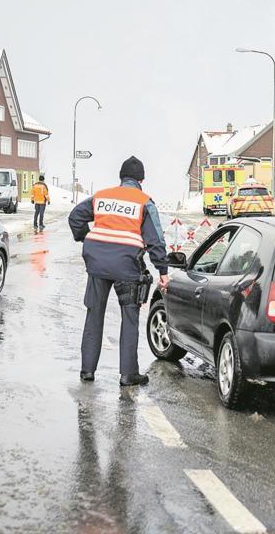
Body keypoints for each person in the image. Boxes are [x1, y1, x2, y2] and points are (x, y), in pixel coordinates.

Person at [68, 156, 169, 386]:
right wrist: (162, 271)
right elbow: (155, 240)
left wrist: (86, 237)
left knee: (94, 314)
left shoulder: (102, 196)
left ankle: (87, 371)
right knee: (130, 317)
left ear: (121, 177)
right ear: (141, 180)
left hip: (97, 264)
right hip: (127, 265)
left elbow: (75, 217)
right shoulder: (144, 202)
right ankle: (128, 374)